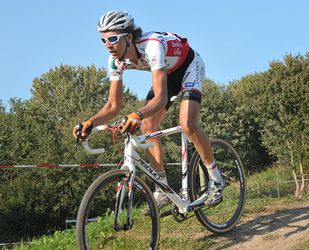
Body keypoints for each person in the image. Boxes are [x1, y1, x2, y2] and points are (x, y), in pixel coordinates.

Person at [73, 10, 224, 212]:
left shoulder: (152, 45)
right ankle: (162, 188)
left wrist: (136, 114)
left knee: (187, 123)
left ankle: (216, 179)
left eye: (113, 39)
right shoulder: (115, 61)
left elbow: (161, 98)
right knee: (148, 126)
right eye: (103, 40)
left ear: (128, 36)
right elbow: (112, 105)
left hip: (189, 66)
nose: (108, 45)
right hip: (167, 74)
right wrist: (90, 123)